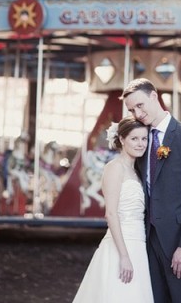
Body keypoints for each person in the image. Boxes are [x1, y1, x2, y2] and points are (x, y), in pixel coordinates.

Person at [122, 77, 181, 303]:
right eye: (132, 110)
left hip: (180, 242)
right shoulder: (141, 142)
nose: (138, 113)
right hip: (148, 243)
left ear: (154, 96)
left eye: (140, 105)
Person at [72, 117, 154, 303]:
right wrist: (124, 256)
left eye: (144, 139)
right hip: (121, 244)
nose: (141, 144)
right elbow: (111, 213)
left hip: (139, 243)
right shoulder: (114, 168)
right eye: (134, 139)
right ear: (122, 139)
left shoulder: (136, 171)